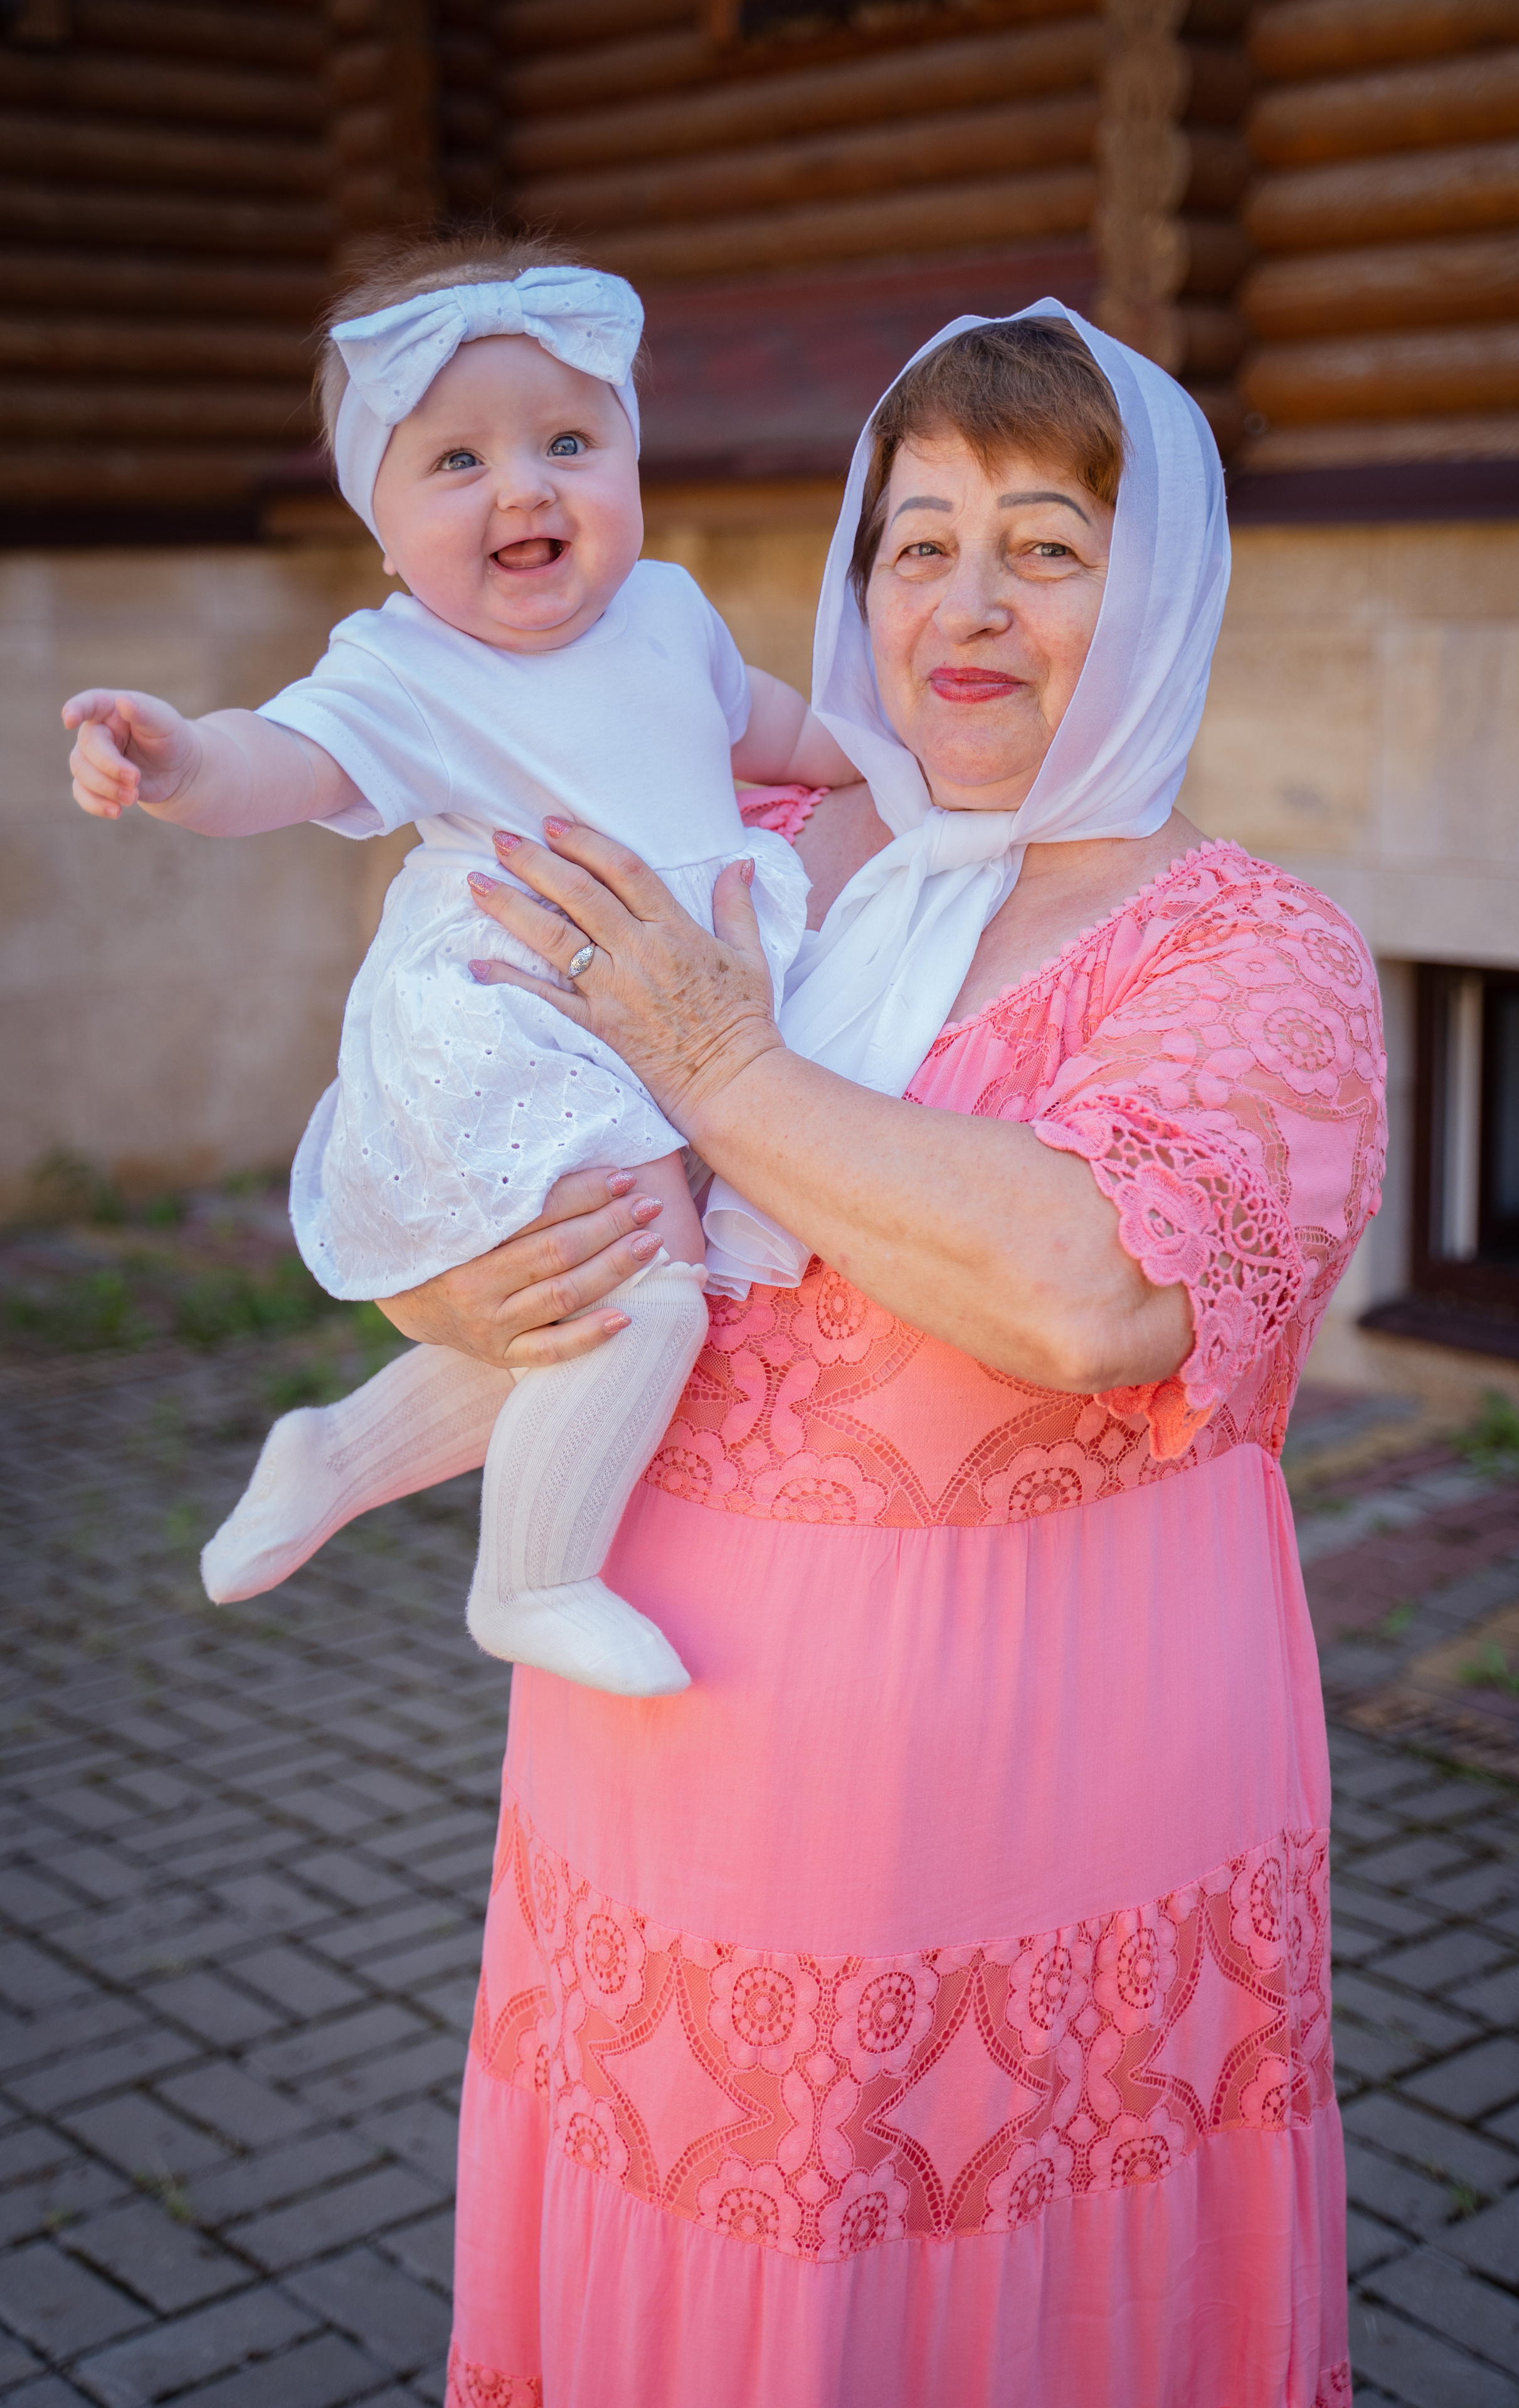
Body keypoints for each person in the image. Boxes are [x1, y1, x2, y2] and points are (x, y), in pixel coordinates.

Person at [393, 305, 1380, 2405]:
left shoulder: (1247, 947)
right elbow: (451, 1103)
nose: (967, 602)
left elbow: (1091, 1296)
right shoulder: (746, 835)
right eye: (916, 541)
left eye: (1045, 544)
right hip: (644, 1790)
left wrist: (725, 1064)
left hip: (1017, 1834)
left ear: (1162, 584)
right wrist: (450, 1297)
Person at [60, 231, 853, 1697]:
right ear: (379, 525)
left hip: (658, 1012)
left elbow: (764, 724)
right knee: (638, 1292)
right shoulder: (406, 665)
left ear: (629, 461)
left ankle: (342, 1449)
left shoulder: (667, 611)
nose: (524, 487)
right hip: (524, 1018)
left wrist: (886, 765)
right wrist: (180, 759)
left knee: (582, 1305)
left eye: (568, 440)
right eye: (458, 462)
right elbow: (276, 763)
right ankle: (528, 1579)